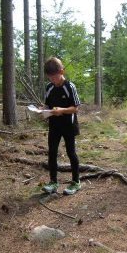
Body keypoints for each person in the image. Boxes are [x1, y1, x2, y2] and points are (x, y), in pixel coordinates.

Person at [41, 57, 81, 195]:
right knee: (52, 152)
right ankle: (53, 181)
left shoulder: (69, 86)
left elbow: (76, 108)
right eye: (50, 77)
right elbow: (47, 104)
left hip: (68, 125)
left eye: (55, 77)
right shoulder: (49, 87)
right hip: (54, 125)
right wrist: (42, 110)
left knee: (71, 152)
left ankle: (76, 182)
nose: (52, 80)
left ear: (62, 71)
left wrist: (62, 110)